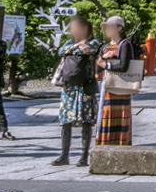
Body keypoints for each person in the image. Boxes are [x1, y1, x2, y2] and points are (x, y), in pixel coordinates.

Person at [53, 17, 101, 166]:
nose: (74, 30)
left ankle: (84, 156)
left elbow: (89, 50)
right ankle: (64, 155)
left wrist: (77, 49)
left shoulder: (94, 41)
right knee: (65, 122)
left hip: (84, 86)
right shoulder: (70, 43)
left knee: (86, 122)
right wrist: (75, 47)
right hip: (69, 87)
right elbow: (61, 51)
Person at [96, 16, 137, 146]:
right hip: (107, 87)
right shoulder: (105, 47)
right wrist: (103, 57)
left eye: (110, 27)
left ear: (119, 28)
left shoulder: (124, 44)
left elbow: (124, 67)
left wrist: (107, 65)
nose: (107, 30)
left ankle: (121, 146)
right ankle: (104, 144)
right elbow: (97, 68)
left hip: (120, 88)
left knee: (120, 116)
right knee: (105, 116)